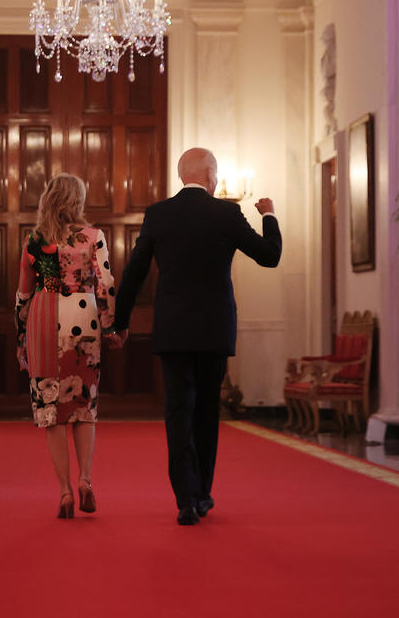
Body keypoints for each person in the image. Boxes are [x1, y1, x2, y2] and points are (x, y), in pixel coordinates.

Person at [112, 148, 282, 525]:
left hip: (173, 331)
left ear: (181, 176)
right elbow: (270, 255)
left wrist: (119, 323)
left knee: (178, 411)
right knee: (206, 411)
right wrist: (268, 214)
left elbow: (134, 274)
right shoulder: (226, 213)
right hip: (214, 330)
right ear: (210, 175)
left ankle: (186, 499)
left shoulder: (158, 214)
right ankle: (203, 493)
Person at [15, 174, 115, 518]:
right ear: (78, 201)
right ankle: (85, 479)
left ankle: (64, 493)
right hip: (82, 316)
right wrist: (111, 326)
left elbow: (23, 294)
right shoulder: (92, 237)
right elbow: (105, 287)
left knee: (51, 410)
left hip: (43, 317)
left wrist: (20, 338)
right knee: (84, 406)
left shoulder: (35, 240)